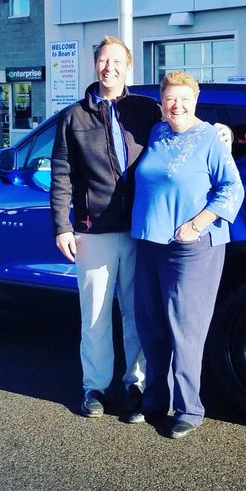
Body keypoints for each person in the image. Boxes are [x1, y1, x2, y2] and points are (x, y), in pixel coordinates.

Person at [49, 36, 162, 421]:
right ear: (95, 65)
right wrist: (62, 227)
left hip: (139, 230)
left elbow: (182, 135)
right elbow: (61, 176)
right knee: (94, 314)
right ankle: (94, 387)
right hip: (92, 230)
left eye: (116, 61)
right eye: (102, 60)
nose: (108, 67)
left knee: (136, 312)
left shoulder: (147, 110)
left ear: (127, 67)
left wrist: (221, 134)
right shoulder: (73, 117)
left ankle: (136, 384)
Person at [131, 70, 244, 439]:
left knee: (185, 328)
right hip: (150, 241)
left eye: (184, 99)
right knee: (151, 323)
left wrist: (198, 223)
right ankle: (155, 398)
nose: (176, 106)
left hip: (192, 247)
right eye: (169, 99)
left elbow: (232, 188)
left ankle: (189, 409)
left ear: (195, 100)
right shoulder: (157, 133)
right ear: (161, 102)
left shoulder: (210, 137)